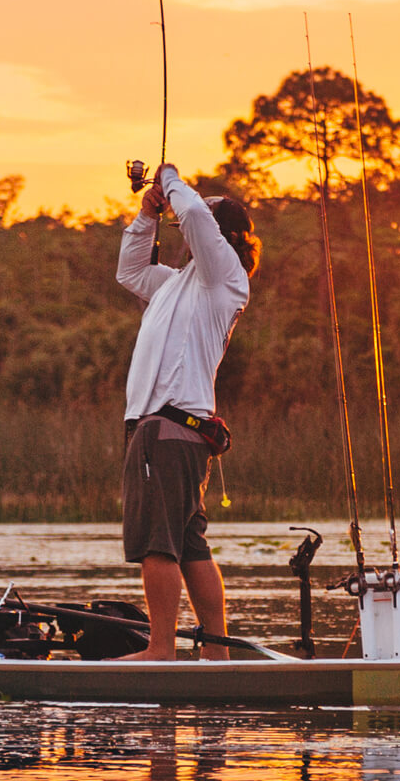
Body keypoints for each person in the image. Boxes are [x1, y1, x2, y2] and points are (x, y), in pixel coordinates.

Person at [114, 162, 261, 661]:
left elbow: (197, 214)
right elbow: (129, 270)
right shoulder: (178, 284)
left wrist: (169, 176)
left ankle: (160, 649)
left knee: (160, 544)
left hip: (168, 430)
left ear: (225, 238)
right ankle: (216, 654)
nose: (186, 234)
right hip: (171, 430)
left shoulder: (226, 277)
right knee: (190, 545)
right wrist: (147, 214)